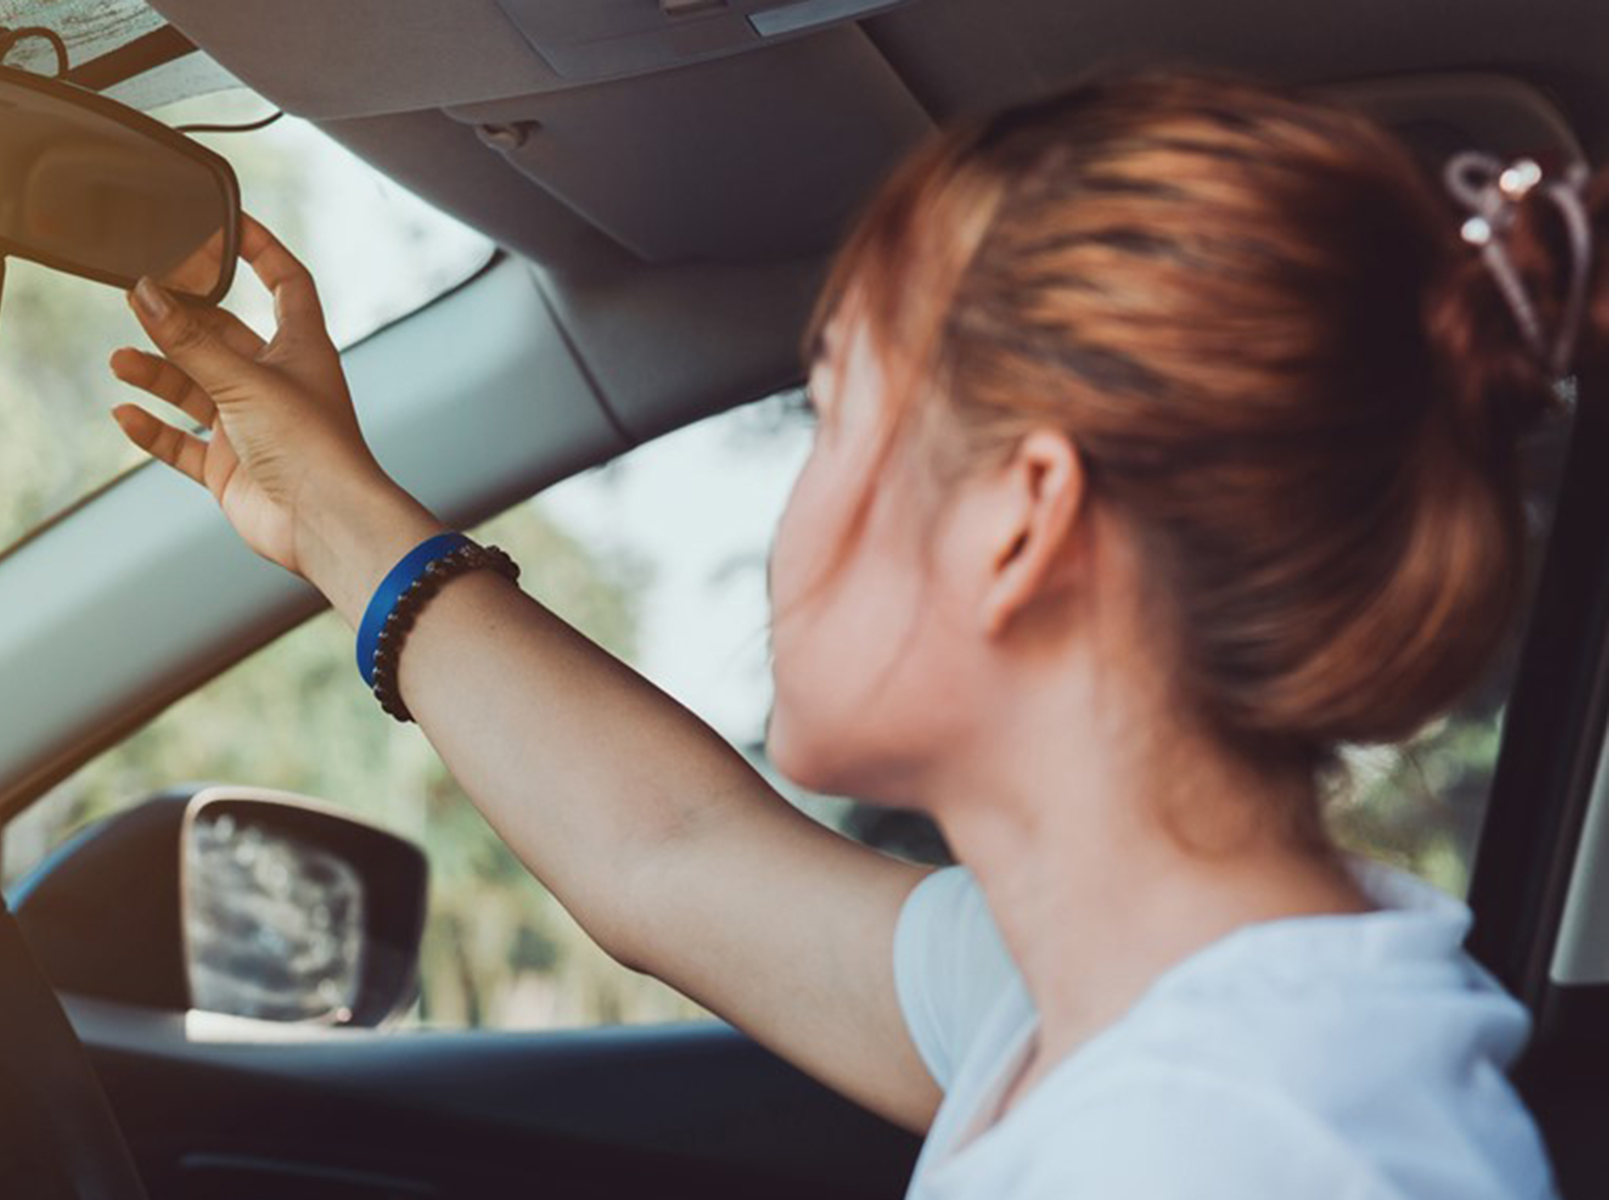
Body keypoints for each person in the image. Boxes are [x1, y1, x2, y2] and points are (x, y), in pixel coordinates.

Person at [106, 72, 1585, 1197]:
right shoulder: (1112, 999)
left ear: (1020, 521)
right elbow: (666, 854)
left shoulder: (1250, 1148)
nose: (793, 519)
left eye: (837, 416)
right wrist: (332, 514)